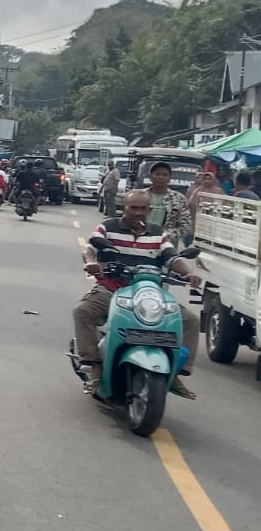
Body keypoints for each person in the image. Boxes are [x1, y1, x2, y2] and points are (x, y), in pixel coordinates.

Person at [74, 189, 201, 399]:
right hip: (112, 289)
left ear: (149, 210)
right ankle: (95, 364)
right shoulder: (108, 226)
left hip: (148, 294)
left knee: (190, 321)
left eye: (142, 208)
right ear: (124, 207)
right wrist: (91, 262)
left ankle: (176, 371)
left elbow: (171, 258)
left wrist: (188, 274)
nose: (137, 212)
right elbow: (90, 248)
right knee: (82, 311)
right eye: (133, 207)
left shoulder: (158, 233)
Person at [145, 161, 191, 242]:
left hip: (165, 244)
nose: (161, 177)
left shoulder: (179, 198)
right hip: (140, 241)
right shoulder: (139, 196)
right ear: (150, 177)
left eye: (165, 175)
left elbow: (185, 227)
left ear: (170, 178)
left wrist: (163, 235)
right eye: (157, 174)